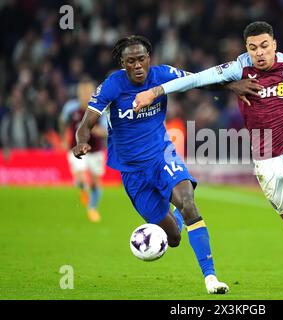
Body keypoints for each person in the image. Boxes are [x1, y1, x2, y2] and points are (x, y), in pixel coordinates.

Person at [134, 21, 283, 288]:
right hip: (265, 159)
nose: (259, 53)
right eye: (253, 48)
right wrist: (155, 91)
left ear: (274, 44)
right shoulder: (239, 69)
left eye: (264, 46)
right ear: (246, 49)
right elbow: (195, 79)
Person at [72, 35, 259, 294]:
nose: (137, 66)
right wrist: (81, 142)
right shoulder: (112, 86)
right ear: (122, 64)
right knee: (173, 238)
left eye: (141, 59)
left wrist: (231, 86)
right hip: (132, 172)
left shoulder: (162, 75)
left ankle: (211, 278)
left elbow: (199, 81)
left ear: (149, 59)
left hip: (162, 156)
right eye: (131, 61)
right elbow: (85, 124)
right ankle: (176, 212)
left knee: (189, 204)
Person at [60, 76, 107, 222]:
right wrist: (63, 138)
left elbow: (106, 131)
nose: (85, 95)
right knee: (81, 177)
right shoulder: (70, 107)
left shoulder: (100, 109)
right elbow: (62, 121)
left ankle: (92, 208)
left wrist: (90, 129)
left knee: (95, 183)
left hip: (95, 150)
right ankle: (83, 189)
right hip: (77, 149)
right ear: (78, 92)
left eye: (87, 92)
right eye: (82, 91)